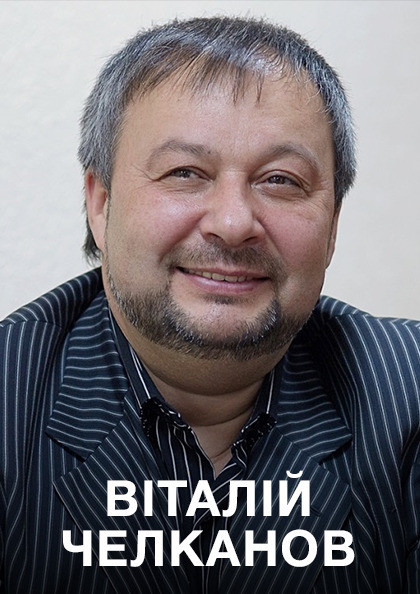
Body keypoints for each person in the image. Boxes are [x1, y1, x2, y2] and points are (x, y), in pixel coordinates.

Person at [0, 15, 419, 594]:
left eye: (280, 180)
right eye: (185, 172)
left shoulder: (406, 395)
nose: (233, 222)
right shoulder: (10, 399)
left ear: (332, 225)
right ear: (100, 203)